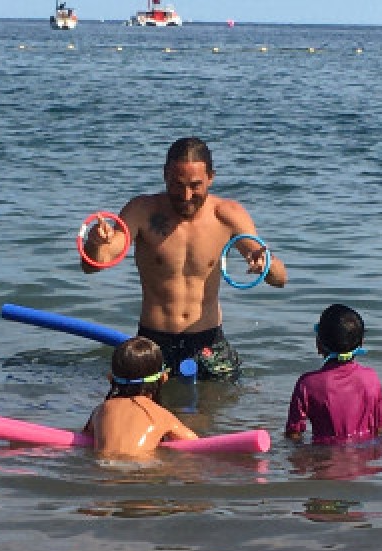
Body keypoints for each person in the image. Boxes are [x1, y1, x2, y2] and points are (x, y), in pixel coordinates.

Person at [80, 137, 287, 381]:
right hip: (153, 341)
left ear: (211, 177)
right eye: (178, 185)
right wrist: (94, 243)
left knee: (219, 414)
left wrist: (266, 265)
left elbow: (280, 279)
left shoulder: (228, 216)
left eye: (195, 185)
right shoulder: (143, 211)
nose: (186, 195)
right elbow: (93, 265)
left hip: (209, 342)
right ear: (165, 175)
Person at [285, 304, 382, 444]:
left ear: (318, 344)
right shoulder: (371, 378)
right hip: (364, 460)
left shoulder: (307, 384)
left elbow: (293, 434)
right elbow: (378, 429)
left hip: (324, 460)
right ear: (361, 343)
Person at [83, 336, 198, 459]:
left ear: (110, 378)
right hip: (140, 469)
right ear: (164, 378)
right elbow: (196, 444)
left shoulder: (100, 410)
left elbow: (85, 439)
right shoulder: (161, 415)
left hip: (102, 469)